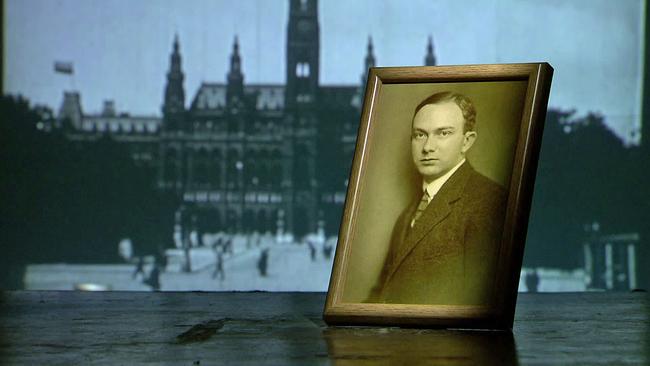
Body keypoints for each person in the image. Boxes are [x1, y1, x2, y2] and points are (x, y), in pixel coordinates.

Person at [367, 91, 507, 305]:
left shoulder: (491, 203)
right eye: (420, 135)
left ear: (467, 142)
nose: (427, 147)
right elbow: (383, 293)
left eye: (443, 133)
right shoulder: (407, 216)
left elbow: (480, 307)